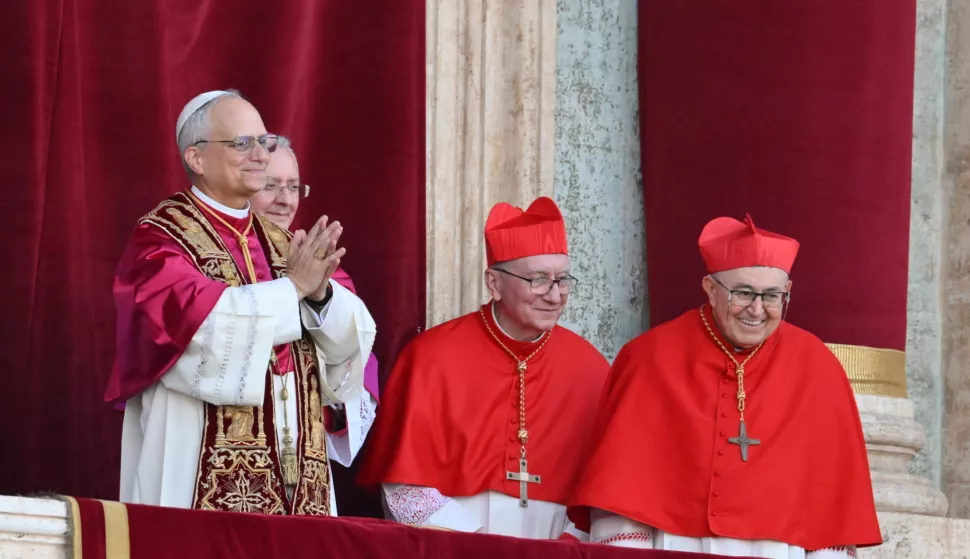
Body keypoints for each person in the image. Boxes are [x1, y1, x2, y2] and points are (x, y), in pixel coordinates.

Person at [105, 90, 377, 517]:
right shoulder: (161, 237)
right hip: (196, 459)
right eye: (242, 143)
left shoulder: (285, 242)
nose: (259, 155)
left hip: (295, 467)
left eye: (263, 142)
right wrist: (293, 291)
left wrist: (321, 295)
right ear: (196, 159)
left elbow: (351, 345)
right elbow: (195, 330)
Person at [567, 214, 881, 557]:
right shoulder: (650, 358)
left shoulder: (819, 367)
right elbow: (622, 493)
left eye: (772, 296)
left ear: (787, 292)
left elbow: (830, 510)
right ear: (710, 289)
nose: (757, 310)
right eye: (743, 293)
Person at [356, 197, 610, 540]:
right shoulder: (431, 357)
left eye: (562, 280)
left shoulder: (590, 367)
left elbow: (606, 491)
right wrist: (476, 545)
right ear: (494, 284)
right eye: (538, 280)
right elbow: (405, 491)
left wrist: (568, 544)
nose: (554, 296)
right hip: (455, 544)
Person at [250, 137, 380, 448]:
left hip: (300, 437)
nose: (285, 200)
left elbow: (355, 362)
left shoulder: (325, 268)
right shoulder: (212, 259)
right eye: (270, 186)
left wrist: (320, 298)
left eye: (293, 187)